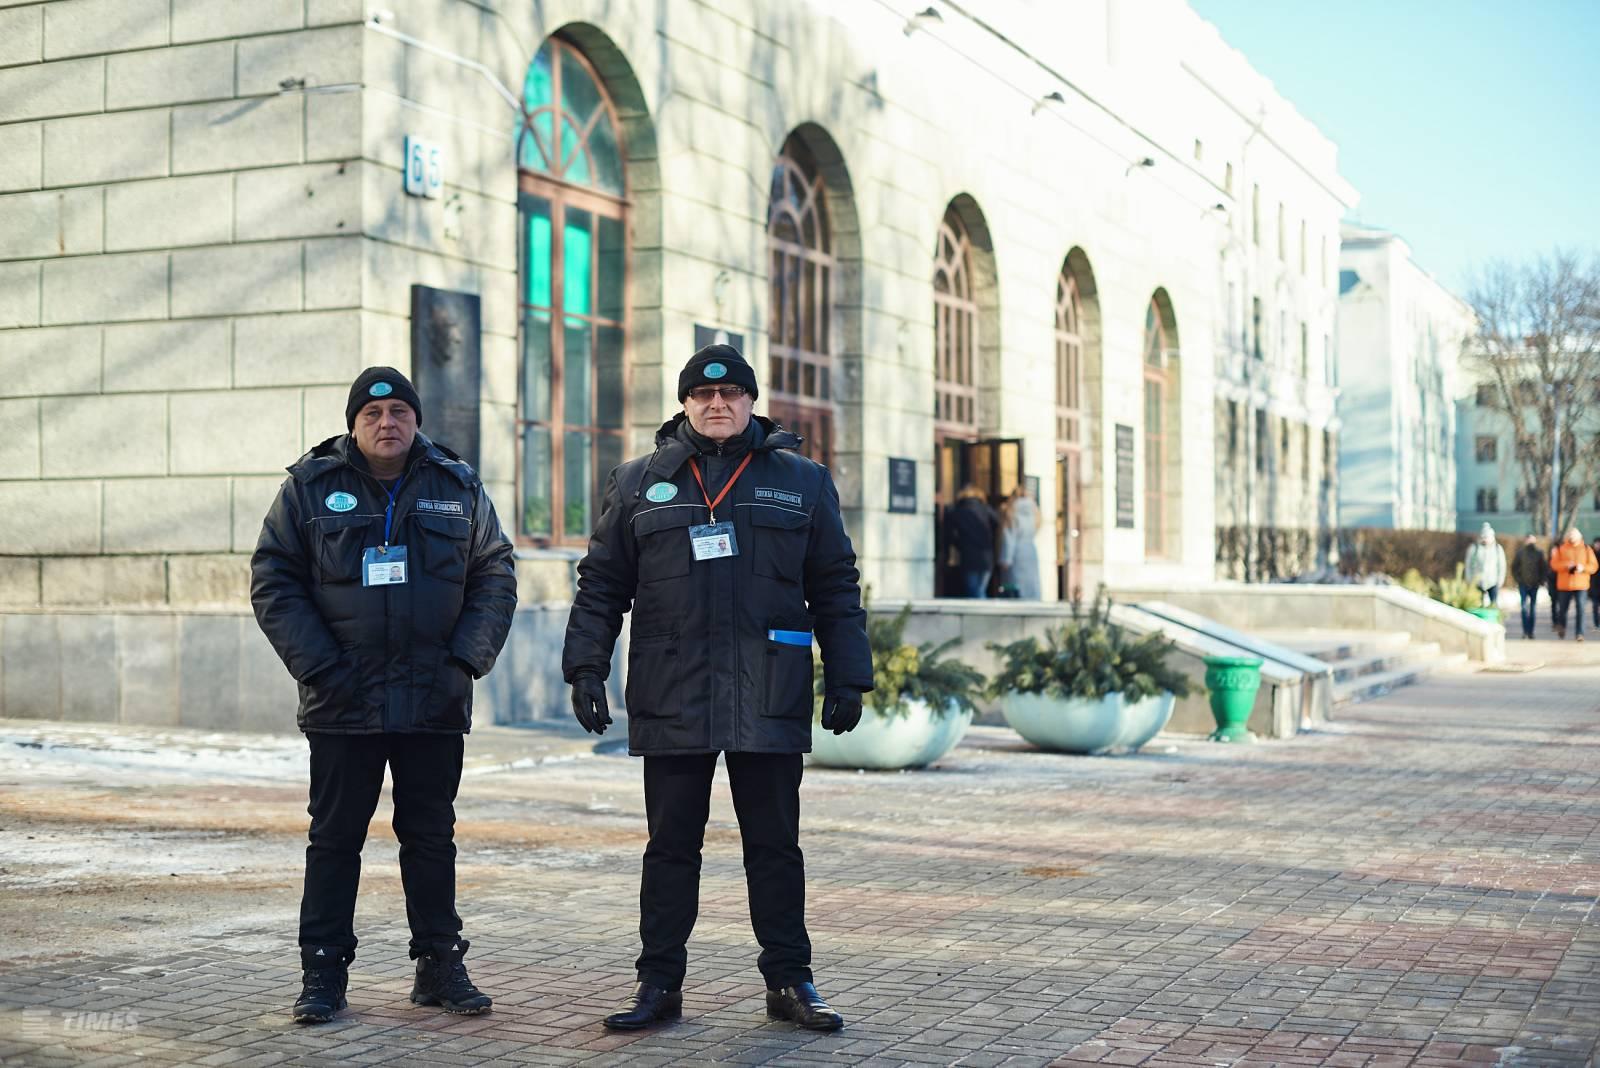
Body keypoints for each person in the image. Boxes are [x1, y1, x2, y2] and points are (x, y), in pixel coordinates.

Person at [561, 344, 872, 1033]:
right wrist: (585, 666)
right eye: (703, 395)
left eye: (731, 392)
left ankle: (790, 982)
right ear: (684, 404)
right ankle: (658, 985)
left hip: (768, 685)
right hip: (674, 690)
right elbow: (603, 583)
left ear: (752, 402)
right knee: (670, 847)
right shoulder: (640, 482)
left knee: (775, 847)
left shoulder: (802, 481)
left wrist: (850, 672)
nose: (717, 404)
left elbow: (834, 583)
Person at [251, 367, 518, 1023]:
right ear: (354, 424)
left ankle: (439, 965)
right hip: (344, 701)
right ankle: (322, 975)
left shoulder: (457, 486)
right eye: (372, 414)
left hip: (433, 699)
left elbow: (495, 572)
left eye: (399, 410)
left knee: (431, 838)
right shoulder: (310, 489)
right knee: (335, 841)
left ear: (416, 418)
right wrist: (320, 669)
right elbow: (273, 580)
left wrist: (465, 663)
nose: (386, 422)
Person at [945, 484, 1000, 598]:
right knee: (980, 590)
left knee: (974, 592)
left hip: (969, 556)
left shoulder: (958, 511)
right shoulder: (986, 509)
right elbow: (997, 523)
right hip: (987, 556)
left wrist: (959, 544)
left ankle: (984, 614)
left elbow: (949, 534)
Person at [1547, 527, 1597, 640]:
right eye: (1570, 535)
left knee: (1581, 609)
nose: (1572, 538)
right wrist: (1566, 565)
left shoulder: (1586, 549)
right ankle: (1562, 627)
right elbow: (1554, 564)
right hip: (1565, 585)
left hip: (1581, 584)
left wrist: (1583, 568)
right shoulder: (1561, 549)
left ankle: (1580, 633)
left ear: (1579, 537)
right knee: (1563, 609)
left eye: (1574, 536)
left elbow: (1594, 566)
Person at [996, 482, 1042, 600]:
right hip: (1031, 551)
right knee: (1031, 583)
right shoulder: (1034, 512)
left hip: (1017, 553)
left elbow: (1009, 538)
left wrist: (1006, 559)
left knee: (1015, 585)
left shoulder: (1012, 512)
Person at [1510, 534, 1549, 640]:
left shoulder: (1539, 553)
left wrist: (1541, 581)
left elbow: (1544, 568)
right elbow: (1514, 568)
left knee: (1532, 609)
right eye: (1528, 539)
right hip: (1523, 584)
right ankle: (1525, 631)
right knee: (1524, 608)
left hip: (1534, 585)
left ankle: (1531, 632)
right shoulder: (1520, 553)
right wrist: (1518, 580)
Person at [1463, 523, 1506, 609]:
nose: (1485, 539)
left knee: (1493, 606)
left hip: (1493, 582)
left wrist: (1500, 581)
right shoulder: (1474, 548)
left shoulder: (1498, 549)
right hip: (1477, 582)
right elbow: (1468, 565)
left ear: (1492, 537)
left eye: (1487, 537)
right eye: (1483, 537)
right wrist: (1470, 579)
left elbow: (1502, 566)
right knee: (1477, 606)